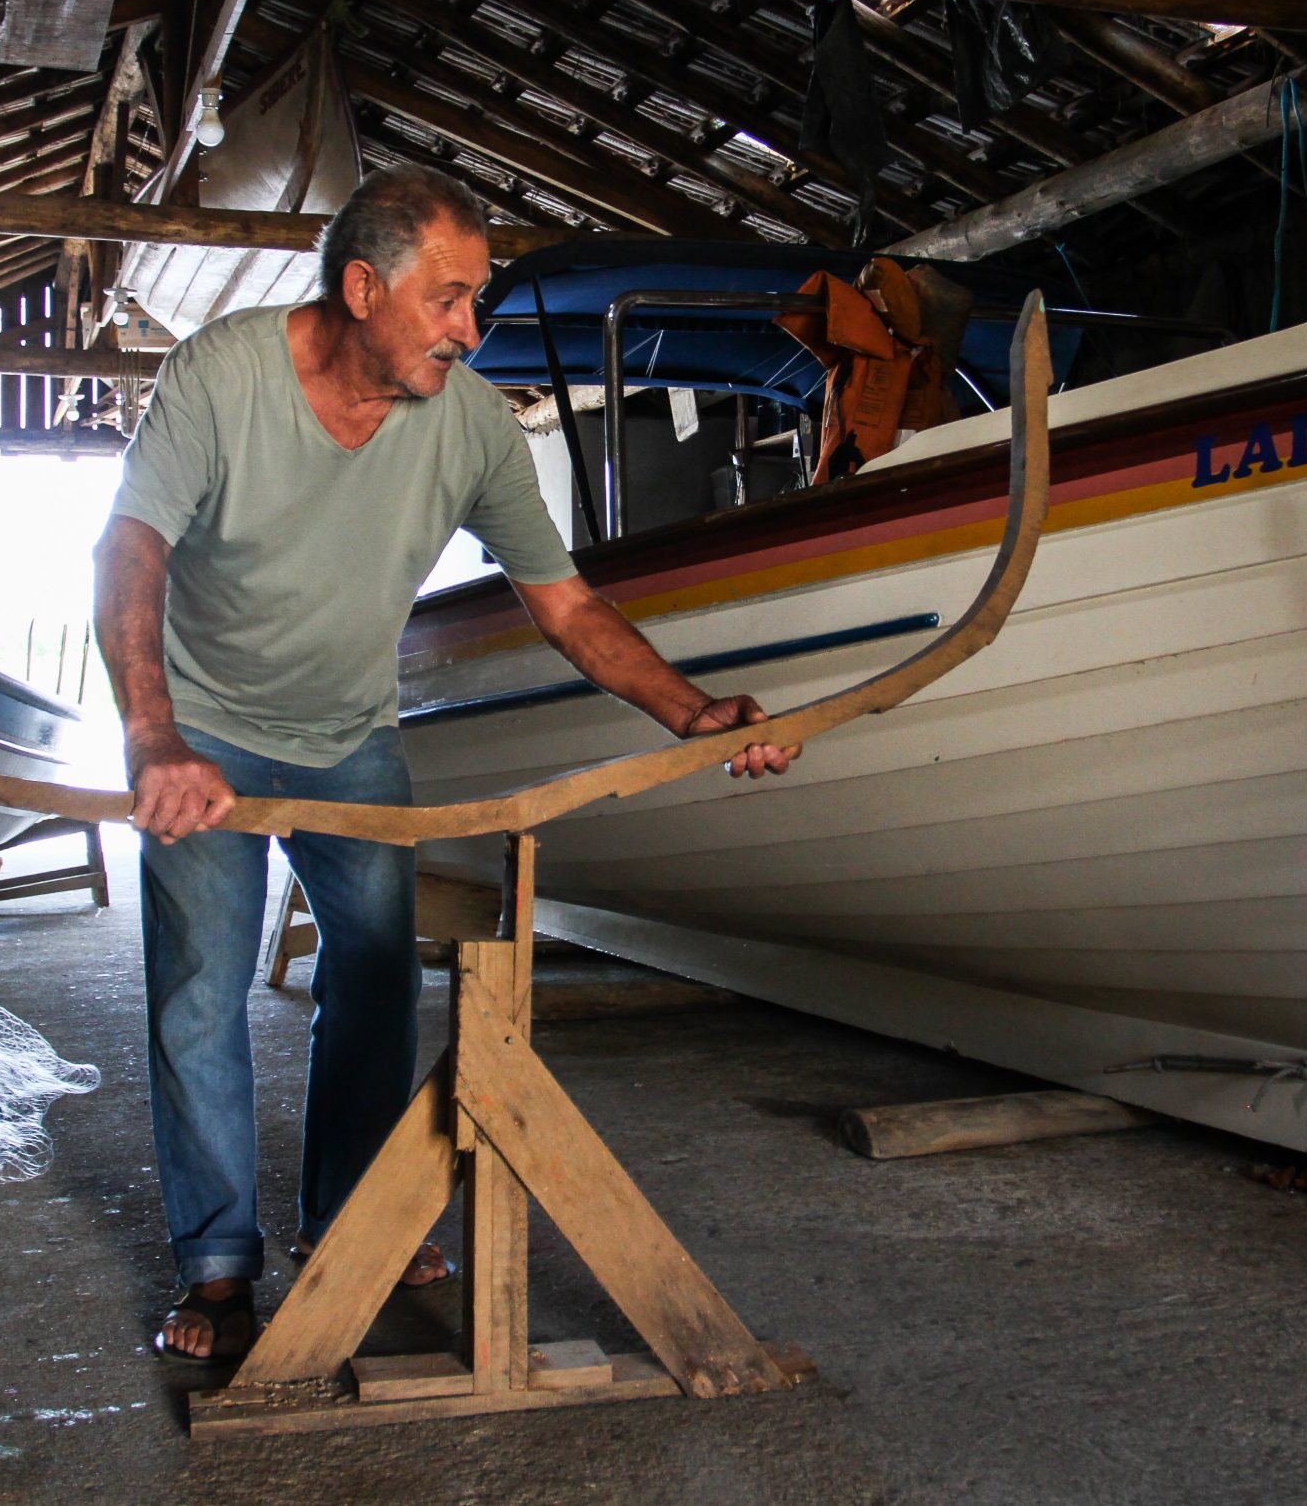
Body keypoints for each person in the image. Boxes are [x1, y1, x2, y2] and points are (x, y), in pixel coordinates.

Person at [93, 164, 800, 1361]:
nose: (472, 332)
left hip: (352, 736)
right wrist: (153, 736)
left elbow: (567, 606)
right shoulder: (222, 374)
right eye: (451, 301)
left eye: (479, 303)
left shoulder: (470, 425)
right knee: (198, 998)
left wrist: (687, 712)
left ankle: (350, 1221)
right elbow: (132, 550)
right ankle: (216, 1269)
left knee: (374, 978)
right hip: (204, 730)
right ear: (364, 289)